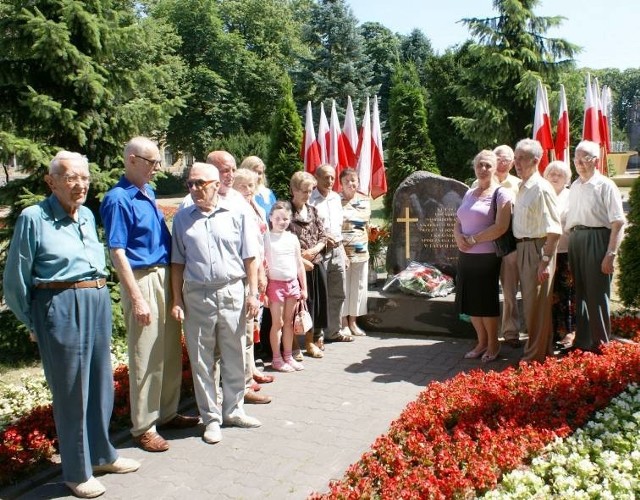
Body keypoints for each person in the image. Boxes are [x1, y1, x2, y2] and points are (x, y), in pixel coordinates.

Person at [4, 151, 140, 498]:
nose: (80, 185)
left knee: (100, 384)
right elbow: (15, 280)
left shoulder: (86, 215)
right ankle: (76, 471)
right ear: (51, 182)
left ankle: (101, 454)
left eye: (84, 178)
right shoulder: (34, 218)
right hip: (59, 306)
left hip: (94, 301)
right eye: (70, 177)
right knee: (71, 391)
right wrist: (33, 321)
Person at [100, 137, 199, 454]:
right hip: (142, 280)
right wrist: (137, 297)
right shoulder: (118, 199)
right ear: (131, 159)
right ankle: (143, 427)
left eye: (159, 161)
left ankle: (167, 412)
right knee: (145, 355)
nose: (157, 168)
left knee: (169, 348)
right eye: (152, 162)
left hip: (163, 276)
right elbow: (117, 251)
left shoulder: (147, 191)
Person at [170, 162, 262, 444]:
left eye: (200, 183)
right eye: (191, 184)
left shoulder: (237, 213)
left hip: (232, 290)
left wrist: (253, 293)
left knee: (234, 353)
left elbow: (250, 257)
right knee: (202, 360)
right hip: (197, 295)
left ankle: (233, 410)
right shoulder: (183, 218)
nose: (195, 189)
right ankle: (210, 419)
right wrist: (177, 300)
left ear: (215, 185)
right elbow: (177, 262)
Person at [565, 140, 625, 353]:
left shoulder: (605, 185)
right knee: (580, 293)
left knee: (597, 294)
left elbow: (618, 222)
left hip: (597, 239)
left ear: (596, 161)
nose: (580, 163)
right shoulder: (574, 185)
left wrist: (611, 253)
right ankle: (582, 343)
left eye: (585, 159)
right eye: (576, 159)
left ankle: (601, 347)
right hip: (577, 240)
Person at [454, 150, 513, 363]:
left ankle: (494, 344)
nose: (484, 169)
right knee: (471, 303)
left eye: (488, 165)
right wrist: (458, 236)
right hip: (466, 256)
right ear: (475, 167)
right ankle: (481, 342)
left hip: (486, 257)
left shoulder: (501, 194)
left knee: (485, 302)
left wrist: (474, 239)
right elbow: (458, 219)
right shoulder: (470, 192)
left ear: (496, 167)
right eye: (480, 165)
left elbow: (501, 227)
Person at [512, 139, 562, 363]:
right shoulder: (523, 186)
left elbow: (554, 230)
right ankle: (543, 352)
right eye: (516, 157)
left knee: (536, 307)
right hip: (524, 248)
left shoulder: (541, 188)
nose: (516, 162)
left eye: (521, 158)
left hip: (537, 249)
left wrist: (544, 260)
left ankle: (534, 357)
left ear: (536, 160)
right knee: (533, 305)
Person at [232, 167, 275, 403]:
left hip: (260, 268)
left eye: (251, 185)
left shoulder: (254, 206)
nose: (249, 190)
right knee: (247, 325)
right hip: (249, 271)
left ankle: (251, 371)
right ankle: (245, 378)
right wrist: (257, 273)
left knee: (252, 325)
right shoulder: (237, 208)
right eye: (243, 186)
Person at [310, 164, 353, 346]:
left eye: (332, 178)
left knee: (338, 293)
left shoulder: (336, 198)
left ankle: (333, 332)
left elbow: (337, 227)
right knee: (320, 294)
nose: (329, 181)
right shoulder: (311, 199)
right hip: (320, 251)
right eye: (326, 177)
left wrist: (343, 253)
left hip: (337, 249)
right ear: (317, 178)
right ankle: (316, 334)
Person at [288, 171, 328, 358]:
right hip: (295, 267)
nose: (308, 195)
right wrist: (300, 260)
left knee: (313, 305)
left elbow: (322, 234)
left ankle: (310, 342)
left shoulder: (313, 210)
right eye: (304, 191)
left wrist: (315, 249)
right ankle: (294, 344)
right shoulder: (285, 211)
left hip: (316, 263)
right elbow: (280, 239)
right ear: (293, 190)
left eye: (310, 191)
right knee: (295, 306)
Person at [264, 201, 308, 372]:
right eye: (278, 218)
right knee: (278, 323)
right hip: (275, 285)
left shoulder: (292, 238)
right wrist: (264, 292)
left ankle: (288, 356)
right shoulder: (266, 237)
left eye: (285, 218)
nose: (282, 221)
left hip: (292, 284)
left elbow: (299, 264)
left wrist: (303, 288)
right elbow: (263, 266)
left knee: (288, 323)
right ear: (270, 218)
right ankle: (276, 358)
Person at [492, 145, 523, 348]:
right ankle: (486, 332)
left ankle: (510, 332)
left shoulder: (520, 185)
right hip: (485, 245)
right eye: (499, 158)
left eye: (507, 159)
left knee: (510, 291)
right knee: (485, 290)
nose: (503, 162)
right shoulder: (480, 182)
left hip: (510, 246)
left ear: (513, 162)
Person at [543, 160, 575, 344]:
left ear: (567, 179)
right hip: (545, 252)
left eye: (559, 174)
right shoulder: (542, 194)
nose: (555, 177)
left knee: (567, 293)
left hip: (565, 251)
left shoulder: (571, 196)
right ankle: (552, 331)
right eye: (551, 174)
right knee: (550, 293)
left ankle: (569, 332)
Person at [339, 168, 371, 336]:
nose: (351, 184)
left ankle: (353, 322)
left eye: (354, 180)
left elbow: (366, 225)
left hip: (361, 251)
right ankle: (343, 322)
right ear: (341, 184)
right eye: (347, 181)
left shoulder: (365, 201)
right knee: (344, 287)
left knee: (358, 287)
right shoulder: (336, 201)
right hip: (341, 252)